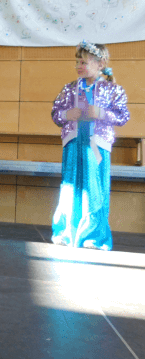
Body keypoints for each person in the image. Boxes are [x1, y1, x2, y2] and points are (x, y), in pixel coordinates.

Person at [51, 41, 129, 250]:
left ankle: (93, 237)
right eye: (77, 62)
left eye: (83, 62)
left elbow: (123, 116)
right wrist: (67, 114)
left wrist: (101, 113)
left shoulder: (113, 90)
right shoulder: (69, 89)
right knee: (70, 186)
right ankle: (65, 232)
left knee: (94, 189)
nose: (78, 66)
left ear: (100, 64)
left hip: (96, 146)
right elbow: (56, 114)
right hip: (74, 144)